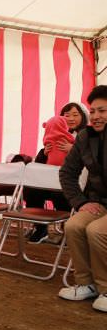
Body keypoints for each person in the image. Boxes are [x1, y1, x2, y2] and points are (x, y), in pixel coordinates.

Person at [58, 85, 107, 313]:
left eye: (103, 111)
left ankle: (105, 289)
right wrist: (81, 202)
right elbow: (67, 173)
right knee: (74, 225)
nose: (96, 116)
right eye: (93, 111)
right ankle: (86, 283)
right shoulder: (85, 137)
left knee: (96, 231)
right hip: (97, 202)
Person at [26, 102, 88, 243]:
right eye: (66, 115)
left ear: (83, 116)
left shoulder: (89, 135)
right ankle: (41, 228)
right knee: (31, 189)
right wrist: (44, 153)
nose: (70, 118)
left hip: (75, 184)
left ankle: (69, 230)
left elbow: (93, 161)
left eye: (75, 115)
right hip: (52, 181)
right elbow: (41, 164)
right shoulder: (54, 132)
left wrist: (73, 150)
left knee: (63, 194)